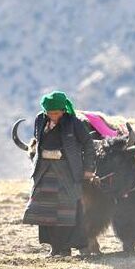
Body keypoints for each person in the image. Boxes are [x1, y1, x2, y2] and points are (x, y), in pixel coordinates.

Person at [22, 90, 97, 257]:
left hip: (67, 171)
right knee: (46, 212)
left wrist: (88, 168)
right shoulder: (40, 120)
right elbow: (38, 142)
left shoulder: (74, 123)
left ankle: (80, 246)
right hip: (44, 172)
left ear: (63, 110)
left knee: (70, 210)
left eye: (56, 113)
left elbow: (88, 145)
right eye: (49, 112)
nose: (53, 115)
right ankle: (56, 248)